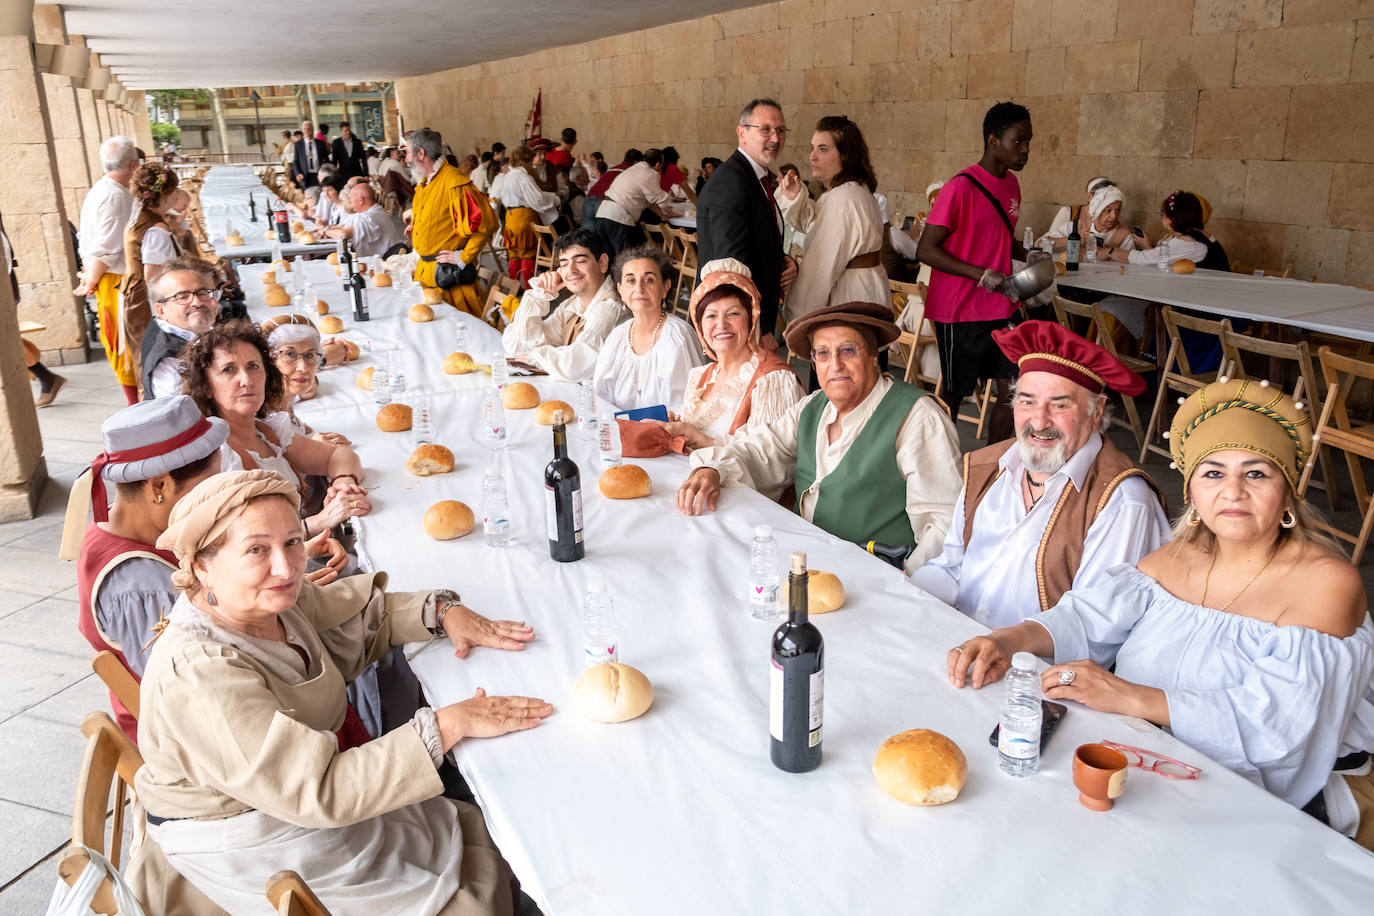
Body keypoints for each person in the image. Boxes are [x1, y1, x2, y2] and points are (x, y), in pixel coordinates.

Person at [949, 379, 1374, 851]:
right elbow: (1089, 617)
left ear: (1288, 491)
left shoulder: (1326, 583)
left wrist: (1129, 697)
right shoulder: (1176, 559)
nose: (1232, 491)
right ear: (1191, 488)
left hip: (1273, 802)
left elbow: (1276, 729)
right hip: (1159, 765)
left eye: (1256, 474)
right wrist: (1013, 639)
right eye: (1213, 473)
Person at [133, 469, 553, 913]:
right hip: (259, 836)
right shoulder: (197, 674)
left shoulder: (274, 603)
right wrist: (445, 723)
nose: (286, 566)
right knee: (465, 889)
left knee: (485, 826)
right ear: (203, 565)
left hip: (306, 795)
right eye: (257, 549)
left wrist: (442, 612)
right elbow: (318, 791)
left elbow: (357, 622)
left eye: (293, 542)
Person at [911, 321, 1169, 627]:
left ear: (1096, 411)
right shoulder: (987, 467)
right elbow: (951, 567)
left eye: (1059, 405)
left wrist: (1004, 647)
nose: (1039, 419)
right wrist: (908, 594)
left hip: (1039, 668)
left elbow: (1096, 626)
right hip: (956, 640)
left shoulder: (1122, 500)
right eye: (1027, 401)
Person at [678, 301, 961, 571]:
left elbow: (942, 526)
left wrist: (909, 583)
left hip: (879, 579)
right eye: (822, 354)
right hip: (807, 565)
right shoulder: (813, 406)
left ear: (874, 355)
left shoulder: (918, 416)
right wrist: (711, 468)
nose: (834, 364)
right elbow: (759, 452)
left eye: (848, 350)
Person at [74, 396, 225, 742]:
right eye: (205, 489)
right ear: (159, 486)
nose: (212, 501)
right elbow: (186, 693)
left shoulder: (118, 522)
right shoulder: (142, 585)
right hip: (185, 743)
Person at [917, 101, 1043, 444]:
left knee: (1014, 389)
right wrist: (980, 274)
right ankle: (935, 463)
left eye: (1029, 141)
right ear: (993, 141)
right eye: (1018, 141)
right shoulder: (959, 189)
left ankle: (992, 469)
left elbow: (999, 236)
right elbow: (926, 249)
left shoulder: (1012, 186)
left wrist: (1024, 253)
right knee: (955, 393)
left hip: (1001, 306)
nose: (1026, 150)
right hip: (959, 310)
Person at [180, 318, 369, 545]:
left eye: (253, 366)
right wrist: (320, 521)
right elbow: (242, 544)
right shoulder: (220, 458)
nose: (247, 380)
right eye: (229, 369)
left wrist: (342, 483)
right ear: (207, 386)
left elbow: (339, 455)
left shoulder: (267, 430)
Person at [647, 258, 803, 468]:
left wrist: (698, 438)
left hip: (741, 497)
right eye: (711, 315)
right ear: (700, 325)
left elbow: (774, 463)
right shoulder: (700, 377)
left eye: (733, 313)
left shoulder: (774, 380)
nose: (721, 324)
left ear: (752, 320)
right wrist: (675, 424)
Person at [696, 98, 798, 345]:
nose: (775, 138)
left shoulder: (754, 177)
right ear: (742, 133)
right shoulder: (731, 183)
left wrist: (786, 262)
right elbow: (731, 266)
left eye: (780, 130)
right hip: (739, 327)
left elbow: (761, 239)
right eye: (765, 129)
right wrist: (758, 331)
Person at [776, 116, 888, 322]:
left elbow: (820, 268)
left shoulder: (841, 198)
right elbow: (822, 226)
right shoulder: (856, 192)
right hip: (866, 293)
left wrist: (799, 317)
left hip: (850, 299)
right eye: (813, 148)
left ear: (846, 156)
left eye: (823, 149)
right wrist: (795, 199)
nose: (813, 157)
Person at [502, 228, 627, 380]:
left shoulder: (611, 306)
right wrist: (539, 295)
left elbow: (578, 363)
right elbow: (518, 345)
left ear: (602, 263)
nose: (571, 270)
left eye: (580, 261)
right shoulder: (572, 304)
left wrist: (533, 359)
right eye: (564, 264)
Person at [593, 245, 703, 410]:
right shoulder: (618, 337)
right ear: (620, 290)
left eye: (649, 279)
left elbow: (687, 409)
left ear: (665, 287)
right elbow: (601, 399)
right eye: (631, 280)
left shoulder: (678, 337)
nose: (639, 288)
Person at [74, 135, 139, 403]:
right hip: (116, 279)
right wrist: (91, 279)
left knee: (122, 340)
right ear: (134, 165)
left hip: (108, 276)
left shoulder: (102, 190)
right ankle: (135, 403)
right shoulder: (115, 198)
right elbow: (108, 248)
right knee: (124, 344)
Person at [406, 127, 494, 317]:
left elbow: (486, 223)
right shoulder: (426, 181)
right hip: (425, 274)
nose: (406, 159)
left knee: (459, 338)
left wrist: (463, 257)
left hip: (447, 278)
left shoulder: (454, 181)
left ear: (420, 154)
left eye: (407, 153)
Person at [122, 162, 186, 394]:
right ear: (164, 194)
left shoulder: (140, 215)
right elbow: (153, 276)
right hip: (146, 304)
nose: (177, 195)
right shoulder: (156, 228)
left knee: (144, 356)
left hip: (134, 295)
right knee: (151, 358)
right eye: (175, 190)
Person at [142, 257, 221, 400]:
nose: (196, 302)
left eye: (202, 293)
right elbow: (184, 419)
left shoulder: (199, 334)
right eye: (182, 297)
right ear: (161, 311)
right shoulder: (170, 363)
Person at [1099, 190, 1229, 271]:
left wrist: (1109, 251)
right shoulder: (1198, 234)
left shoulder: (1187, 242)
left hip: (1208, 305)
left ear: (1171, 219)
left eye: (1163, 214)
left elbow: (1141, 258)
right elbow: (1160, 258)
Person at [488, 144, 561, 288]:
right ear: (526, 162)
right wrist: (555, 199)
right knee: (527, 253)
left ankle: (514, 286)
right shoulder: (523, 177)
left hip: (511, 218)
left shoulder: (508, 176)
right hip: (524, 218)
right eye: (531, 162)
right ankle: (529, 288)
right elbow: (537, 199)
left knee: (514, 254)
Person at [595, 148, 674, 254]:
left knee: (605, 257)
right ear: (657, 164)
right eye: (662, 165)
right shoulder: (650, 173)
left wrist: (662, 215)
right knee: (622, 258)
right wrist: (670, 209)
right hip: (618, 217)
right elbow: (658, 197)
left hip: (602, 213)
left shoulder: (634, 169)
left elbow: (648, 202)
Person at [1038, 181, 1133, 255]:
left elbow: (1133, 264)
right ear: (1097, 210)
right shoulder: (1075, 227)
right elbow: (1039, 244)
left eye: (1118, 210)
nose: (1114, 216)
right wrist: (1071, 240)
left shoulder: (1124, 236)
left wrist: (1108, 252)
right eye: (1108, 210)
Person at [323, 182, 403, 259]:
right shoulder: (374, 211)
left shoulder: (369, 217)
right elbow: (343, 226)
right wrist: (327, 228)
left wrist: (325, 230)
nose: (351, 203)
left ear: (361, 200)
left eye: (351, 199)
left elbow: (343, 234)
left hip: (382, 264)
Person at [583, 147, 641, 228]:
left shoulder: (613, 168)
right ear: (636, 163)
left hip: (589, 197)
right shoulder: (631, 171)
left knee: (587, 233)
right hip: (603, 200)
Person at [293, 119, 331, 189]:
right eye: (305, 129)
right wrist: (297, 173)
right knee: (309, 197)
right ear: (302, 131)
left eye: (309, 128)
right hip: (305, 176)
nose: (307, 130)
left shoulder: (320, 143)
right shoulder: (298, 145)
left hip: (319, 175)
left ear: (313, 129)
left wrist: (326, 172)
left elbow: (326, 160)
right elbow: (295, 161)